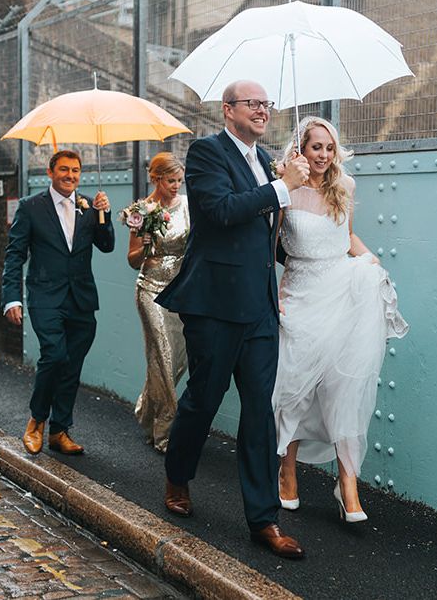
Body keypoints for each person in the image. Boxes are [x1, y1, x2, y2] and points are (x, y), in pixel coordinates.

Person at [155, 80, 310, 559]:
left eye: (267, 104)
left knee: (260, 412)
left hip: (261, 309)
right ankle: (178, 475)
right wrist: (282, 187)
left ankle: (263, 520)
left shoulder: (267, 163)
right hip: (216, 306)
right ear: (228, 110)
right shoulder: (206, 152)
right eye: (253, 104)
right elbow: (221, 212)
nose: (263, 111)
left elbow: (267, 237)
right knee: (203, 399)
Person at [273, 116, 408, 522]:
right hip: (299, 294)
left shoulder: (344, 186)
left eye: (330, 149)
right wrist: (274, 292)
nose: (325, 156)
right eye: (317, 148)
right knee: (293, 385)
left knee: (345, 387)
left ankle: (347, 483)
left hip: (340, 292)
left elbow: (347, 237)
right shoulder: (285, 187)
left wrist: (371, 262)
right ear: (301, 149)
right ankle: (287, 471)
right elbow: (269, 245)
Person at [2, 149, 115, 456]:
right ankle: (37, 420)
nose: (70, 175)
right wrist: (11, 296)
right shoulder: (30, 207)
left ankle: (60, 431)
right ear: (50, 173)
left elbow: (107, 246)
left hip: (81, 298)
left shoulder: (91, 205)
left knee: (72, 365)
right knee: (54, 355)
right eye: (64, 169)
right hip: (45, 297)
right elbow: (15, 255)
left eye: (76, 170)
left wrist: (103, 216)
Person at [127, 153, 189, 454]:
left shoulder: (187, 206)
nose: (176, 186)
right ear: (156, 179)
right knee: (162, 354)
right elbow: (132, 260)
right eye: (170, 180)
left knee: (177, 358)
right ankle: (165, 432)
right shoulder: (142, 210)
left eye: (179, 180)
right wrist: (146, 247)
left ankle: (145, 410)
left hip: (181, 290)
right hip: (150, 290)